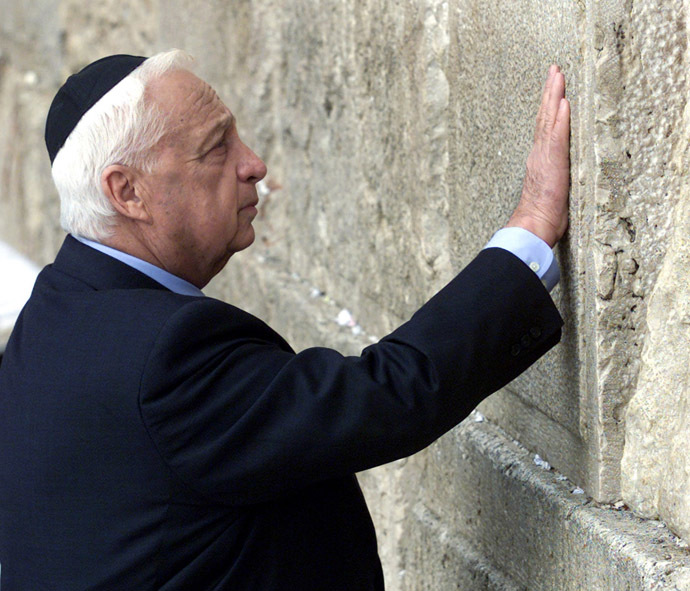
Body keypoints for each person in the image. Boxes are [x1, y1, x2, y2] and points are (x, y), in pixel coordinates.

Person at [0, 50, 570, 590]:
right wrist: (532, 228)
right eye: (215, 148)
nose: (254, 164)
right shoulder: (164, 353)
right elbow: (388, 394)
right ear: (127, 191)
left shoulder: (50, 317)